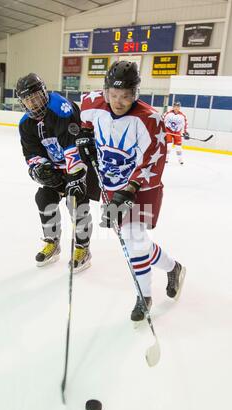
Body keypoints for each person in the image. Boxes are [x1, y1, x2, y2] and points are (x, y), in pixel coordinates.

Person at [78, 61, 186, 322]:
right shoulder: (92, 102)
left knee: (134, 239)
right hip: (110, 184)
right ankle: (174, 268)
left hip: (141, 187)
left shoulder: (148, 119)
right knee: (133, 241)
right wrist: (84, 136)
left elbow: (153, 159)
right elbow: (84, 123)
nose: (118, 101)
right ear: (105, 91)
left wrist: (129, 190)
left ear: (135, 94)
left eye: (126, 96)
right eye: (113, 95)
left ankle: (144, 295)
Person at [16, 73, 100, 271]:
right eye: (27, 99)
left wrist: (75, 178)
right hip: (57, 168)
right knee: (44, 197)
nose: (33, 103)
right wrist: (39, 167)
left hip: (79, 165)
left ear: (44, 93)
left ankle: (82, 248)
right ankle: (52, 242)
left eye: (36, 96)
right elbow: (31, 153)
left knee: (76, 202)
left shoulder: (62, 109)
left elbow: (73, 146)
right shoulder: (25, 124)